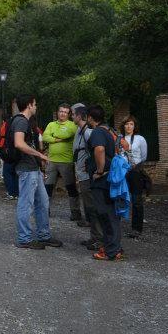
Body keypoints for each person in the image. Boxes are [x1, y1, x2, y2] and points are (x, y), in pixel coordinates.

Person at [12, 94, 60, 249]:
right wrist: (39, 154)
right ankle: (24, 239)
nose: (36, 106)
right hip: (26, 169)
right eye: (35, 104)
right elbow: (18, 143)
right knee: (26, 204)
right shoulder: (20, 121)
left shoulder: (25, 121)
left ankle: (43, 235)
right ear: (29, 105)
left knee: (43, 202)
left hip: (33, 168)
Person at [86, 105, 124, 261]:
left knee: (105, 214)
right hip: (112, 178)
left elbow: (99, 150)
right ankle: (113, 247)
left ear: (90, 117)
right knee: (110, 214)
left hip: (103, 180)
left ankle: (112, 251)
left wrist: (99, 171)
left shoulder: (98, 132)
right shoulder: (109, 130)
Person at [42, 103, 82, 223]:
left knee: (71, 188)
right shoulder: (51, 124)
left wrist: (53, 136)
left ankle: (75, 213)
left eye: (65, 112)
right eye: (61, 111)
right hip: (52, 161)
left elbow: (68, 134)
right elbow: (45, 137)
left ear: (69, 114)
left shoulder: (72, 125)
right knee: (48, 187)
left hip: (67, 162)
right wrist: (59, 139)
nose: (63, 113)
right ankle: (44, 211)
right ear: (57, 112)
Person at [72, 103, 103, 249]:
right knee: (90, 206)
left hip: (87, 175)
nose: (71, 116)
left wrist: (96, 171)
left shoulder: (88, 132)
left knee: (92, 207)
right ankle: (94, 236)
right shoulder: (80, 129)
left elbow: (96, 151)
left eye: (73, 114)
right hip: (82, 173)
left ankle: (99, 238)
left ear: (79, 116)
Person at [121, 115, 148, 238]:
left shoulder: (140, 139)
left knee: (136, 201)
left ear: (134, 126)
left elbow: (143, 156)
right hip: (122, 172)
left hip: (135, 171)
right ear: (123, 126)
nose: (128, 126)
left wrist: (134, 165)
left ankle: (136, 229)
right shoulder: (119, 139)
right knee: (120, 198)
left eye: (131, 124)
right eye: (126, 124)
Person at [0, 100, 20, 200]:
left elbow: (3, 139)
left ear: (3, 120)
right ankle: (16, 193)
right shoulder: (16, 123)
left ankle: (11, 193)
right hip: (17, 151)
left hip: (8, 152)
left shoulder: (5, 125)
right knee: (15, 173)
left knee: (7, 173)